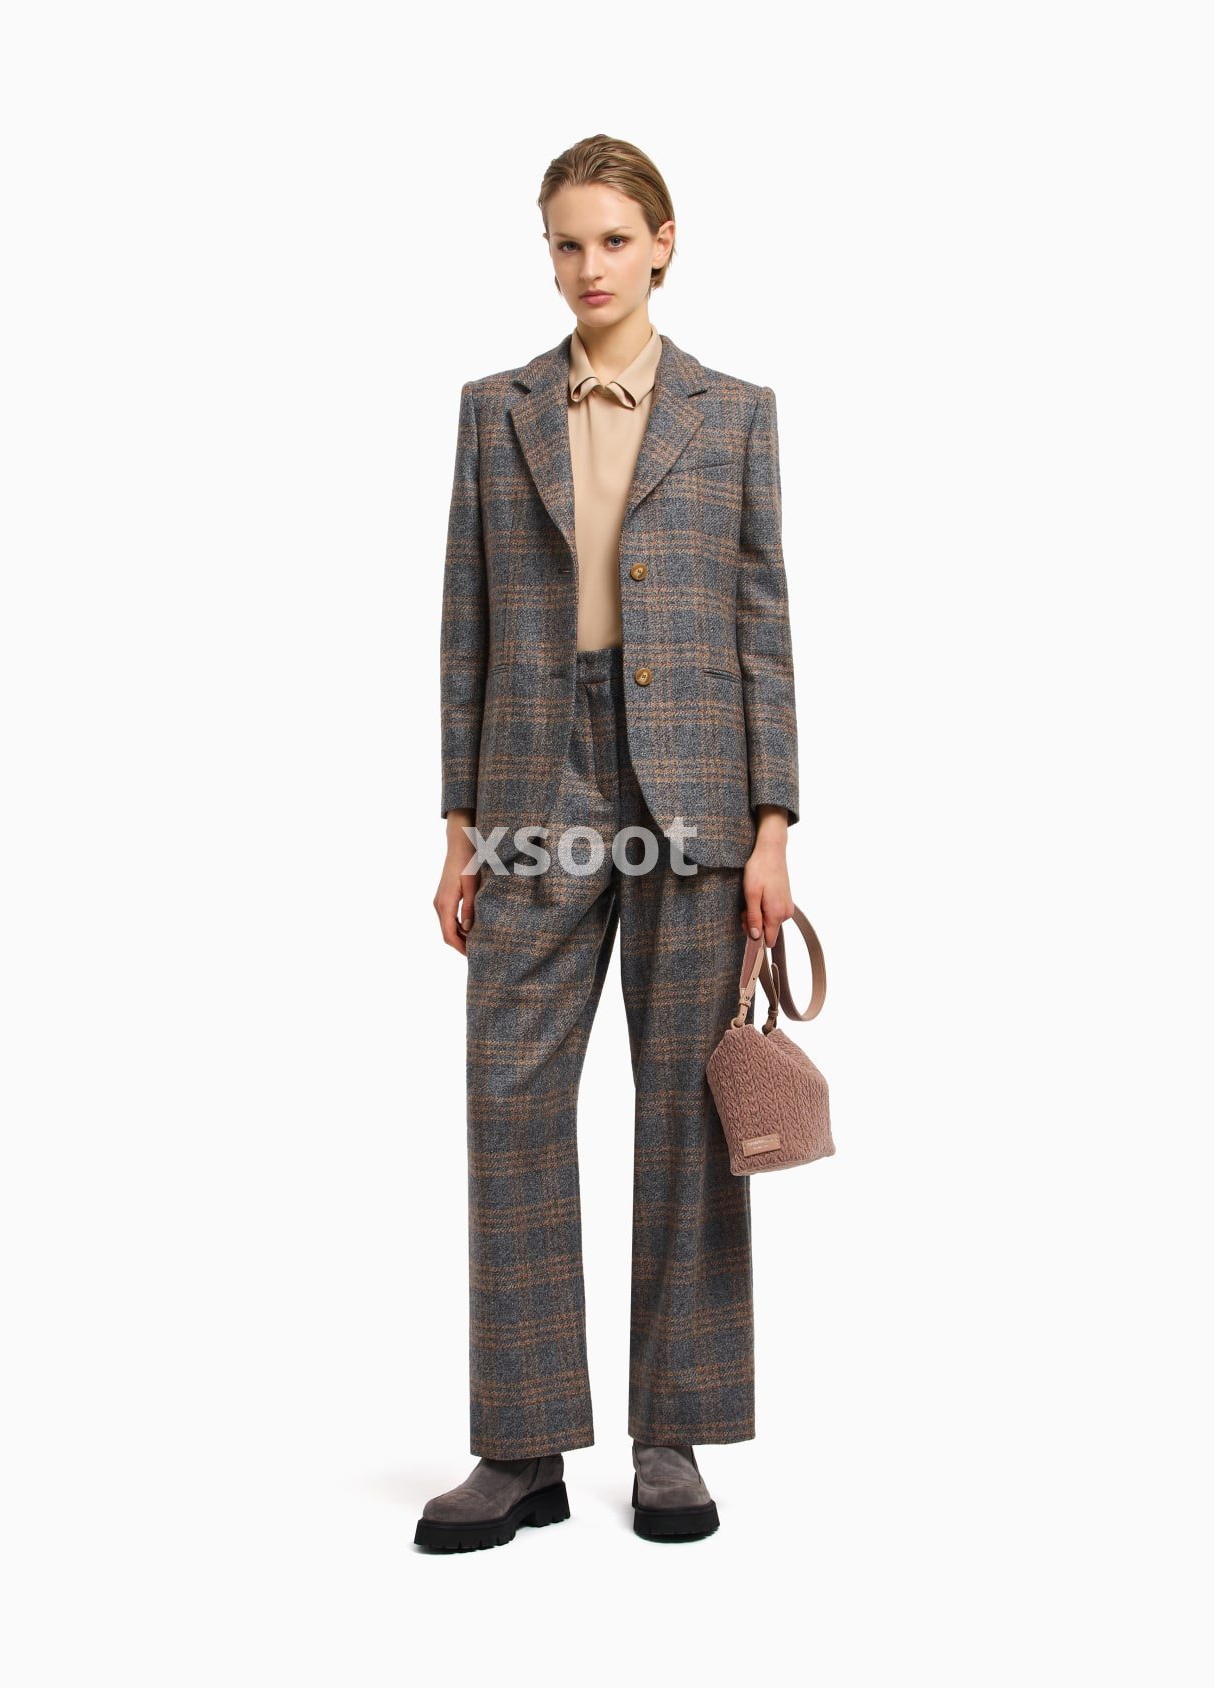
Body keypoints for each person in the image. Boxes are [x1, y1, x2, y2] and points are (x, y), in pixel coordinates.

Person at [417, 133, 802, 1552]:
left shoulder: (733, 413)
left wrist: (772, 828)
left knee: (685, 1117)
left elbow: (763, 628)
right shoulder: (496, 410)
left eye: (612, 241)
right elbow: (464, 622)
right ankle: (521, 1446)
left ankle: (673, 1437)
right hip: (536, 776)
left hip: (694, 787)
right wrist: (458, 826)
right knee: (508, 1100)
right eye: (566, 244)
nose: (589, 267)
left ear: (663, 242)